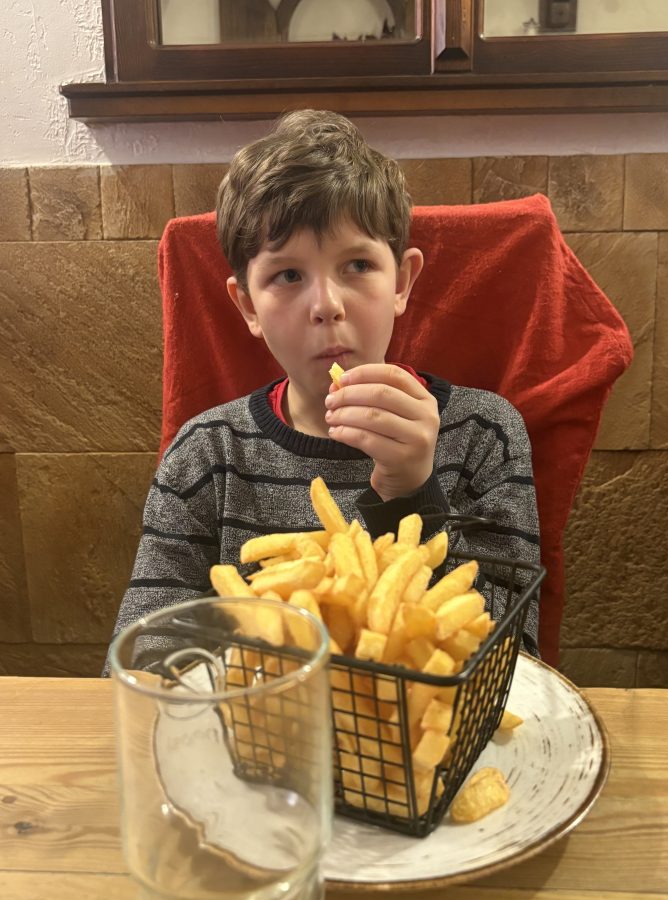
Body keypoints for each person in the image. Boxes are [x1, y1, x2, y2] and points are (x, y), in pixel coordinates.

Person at [106, 110, 540, 666]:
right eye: (288, 275)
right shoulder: (206, 455)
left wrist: (411, 492)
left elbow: (513, 662)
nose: (326, 305)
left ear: (402, 282)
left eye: (357, 264)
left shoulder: (484, 435)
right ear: (248, 306)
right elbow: (143, 656)